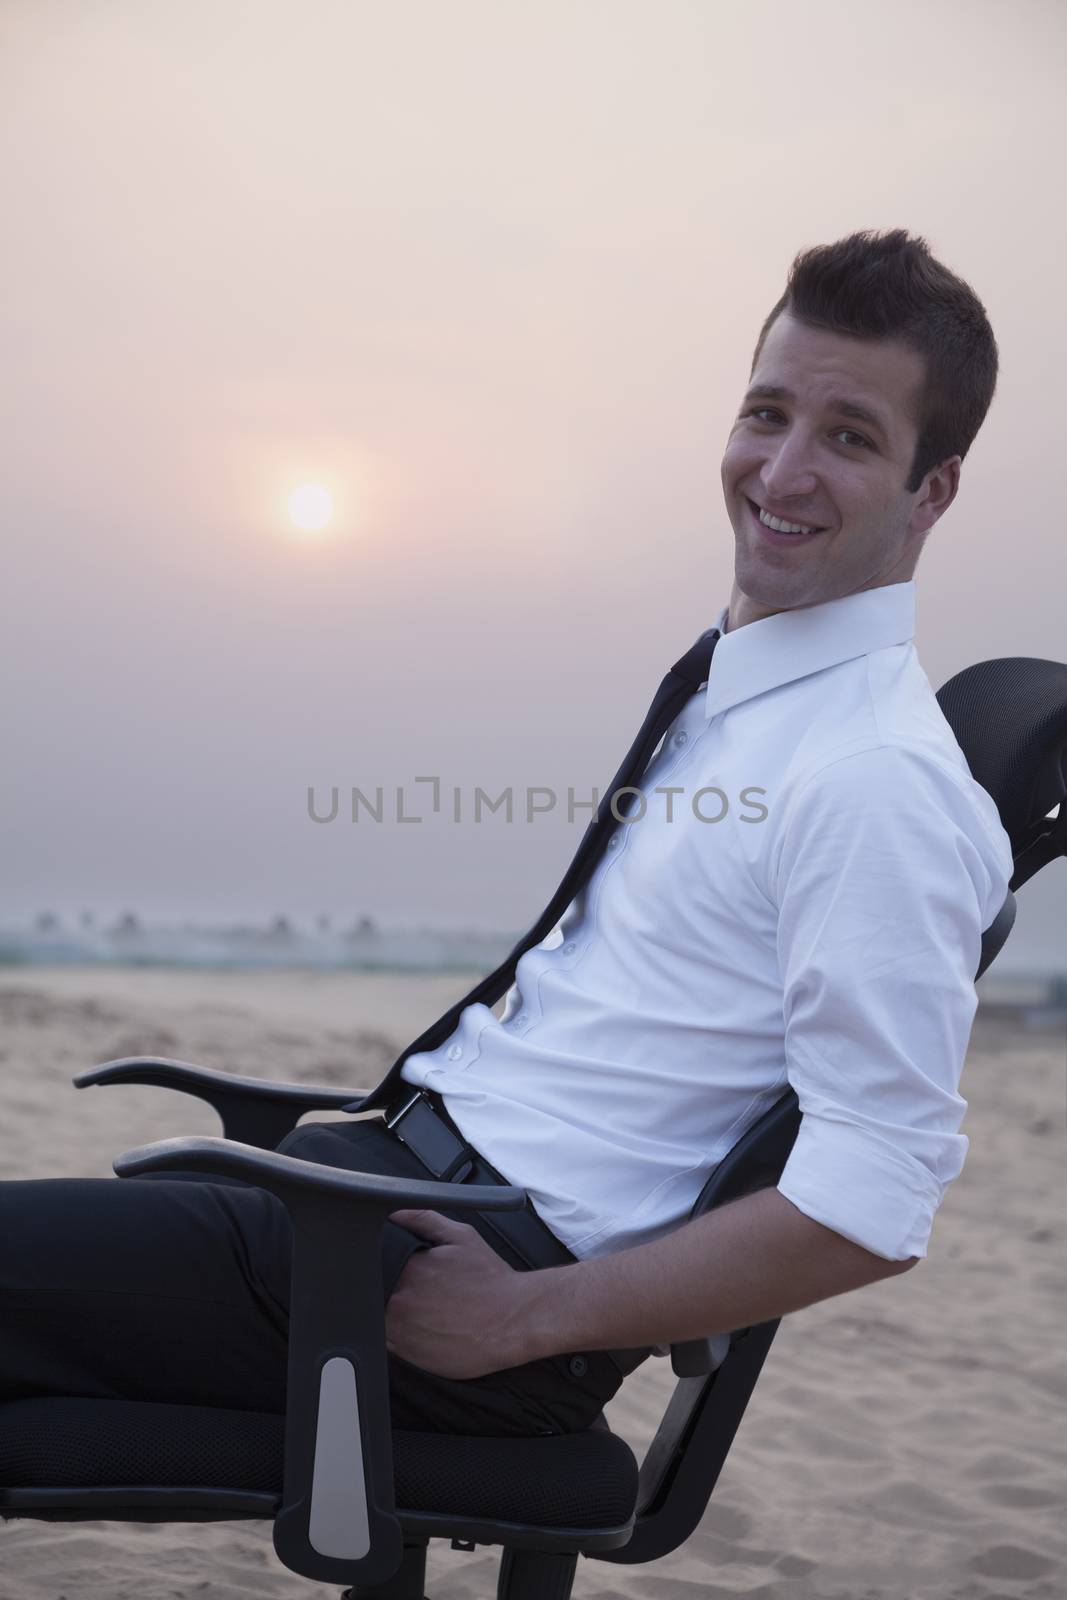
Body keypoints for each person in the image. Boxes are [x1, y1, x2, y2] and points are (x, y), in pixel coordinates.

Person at [0, 229, 1014, 1444]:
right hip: (386, 1187)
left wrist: (525, 1318)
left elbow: (874, 1198)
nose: (780, 470)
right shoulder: (747, 697)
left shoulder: (870, 779)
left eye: (848, 437)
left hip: (466, 1282)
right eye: (765, 413)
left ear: (931, 489)